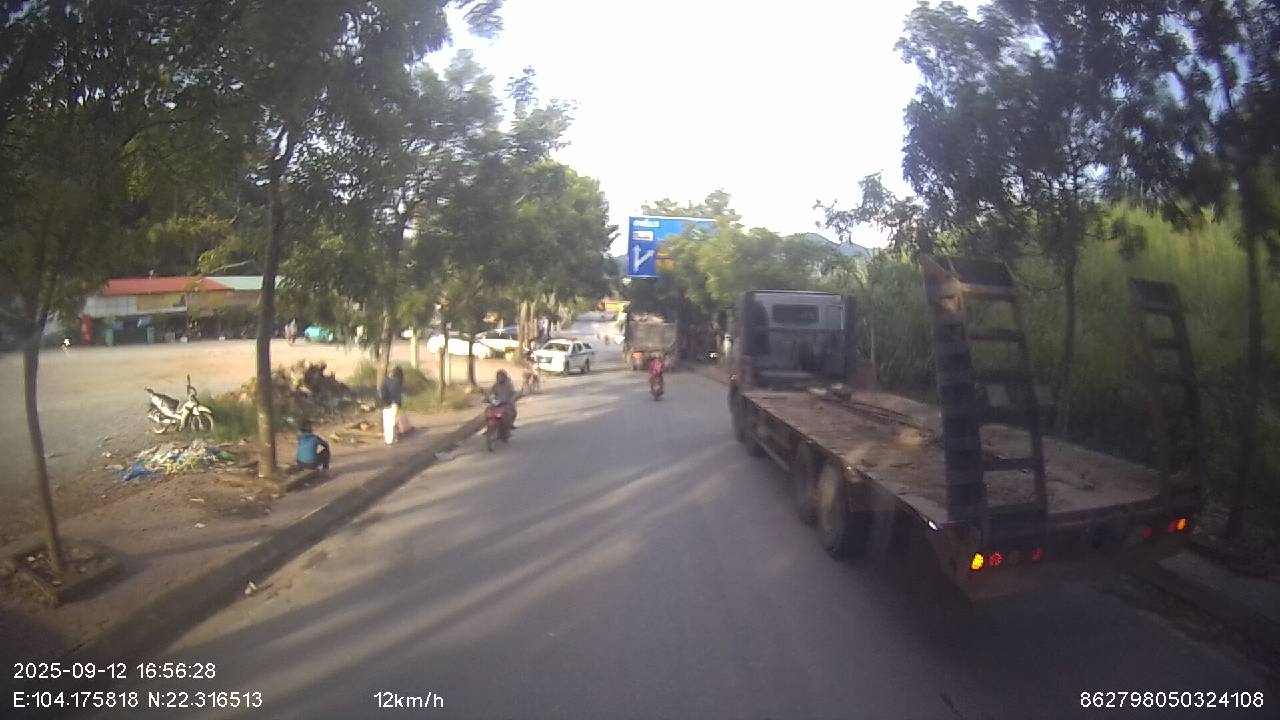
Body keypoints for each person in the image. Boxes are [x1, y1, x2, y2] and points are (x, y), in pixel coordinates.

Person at [380, 366, 404, 445]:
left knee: (387, 422)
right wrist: (399, 403)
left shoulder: (385, 380)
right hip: (394, 403)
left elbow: (382, 392)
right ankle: (392, 439)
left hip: (386, 404)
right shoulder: (398, 381)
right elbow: (398, 394)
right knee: (392, 422)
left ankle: (388, 439)